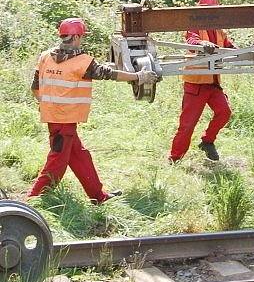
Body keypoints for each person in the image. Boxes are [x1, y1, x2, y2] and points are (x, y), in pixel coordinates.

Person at [28, 17, 157, 204]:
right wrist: (138, 76)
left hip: (55, 118)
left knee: (80, 156)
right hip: (65, 120)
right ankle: (32, 200)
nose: (82, 40)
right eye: (81, 37)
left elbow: (35, 87)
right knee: (57, 162)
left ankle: (98, 196)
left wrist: (45, 104)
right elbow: (109, 74)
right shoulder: (82, 62)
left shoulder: (45, 57)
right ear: (77, 37)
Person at [169, 0, 235, 162]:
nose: (210, 14)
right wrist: (201, 44)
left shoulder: (220, 30)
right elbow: (191, 41)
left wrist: (246, 52)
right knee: (187, 125)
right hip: (196, 83)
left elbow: (229, 46)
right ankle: (175, 158)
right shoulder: (194, 26)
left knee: (224, 113)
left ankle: (207, 141)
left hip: (213, 83)